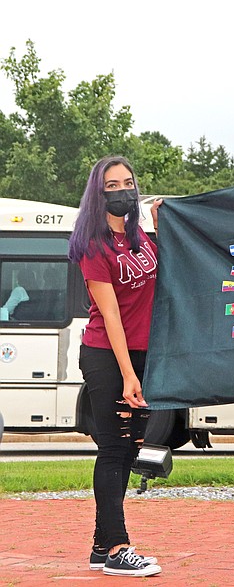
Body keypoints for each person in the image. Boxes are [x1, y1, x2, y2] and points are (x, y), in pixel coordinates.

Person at [67, 156, 162, 577]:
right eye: (112, 185)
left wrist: (166, 224)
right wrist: (127, 373)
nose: (122, 190)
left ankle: (101, 544)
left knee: (131, 450)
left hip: (142, 355)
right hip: (107, 355)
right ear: (97, 193)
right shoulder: (94, 245)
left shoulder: (141, 239)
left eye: (128, 182)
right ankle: (119, 547)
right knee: (112, 448)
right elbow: (110, 316)